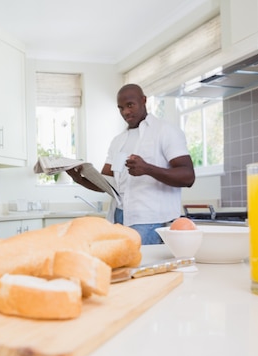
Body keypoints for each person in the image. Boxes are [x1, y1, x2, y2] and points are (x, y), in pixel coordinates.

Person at [68, 84, 195, 245]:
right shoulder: (118, 141)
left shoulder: (165, 131)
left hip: (150, 221)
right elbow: (108, 184)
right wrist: (79, 179)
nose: (125, 112)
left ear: (143, 101)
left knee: (141, 269)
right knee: (123, 269)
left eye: (130, 105)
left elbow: (188, 176)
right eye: (121, 108)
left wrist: (148, 169)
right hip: (118, 218)